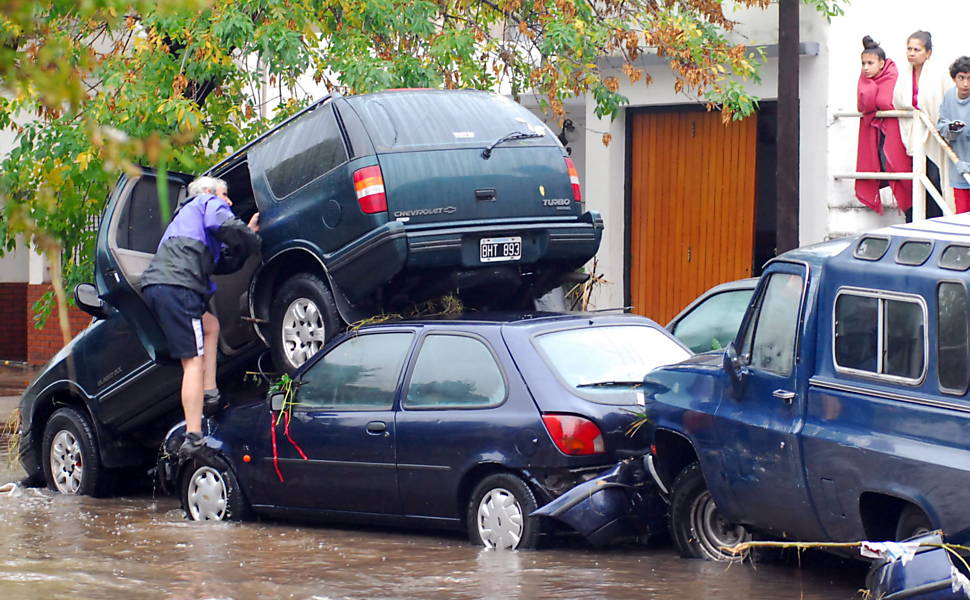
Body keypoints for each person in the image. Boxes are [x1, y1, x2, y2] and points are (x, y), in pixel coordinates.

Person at [140, 176, 261, 456]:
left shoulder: (187, 221)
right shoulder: (204, 201)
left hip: (165, 285)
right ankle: (193, 436)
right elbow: (227, 224)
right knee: (192, 361)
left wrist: (246, 234)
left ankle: (209, 391)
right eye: (225, 195)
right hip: (179, 286)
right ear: (209, 192)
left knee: (211, 325)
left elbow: (225, 262)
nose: (228, 201)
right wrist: (252, 237)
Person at [892, 30, 949, 220]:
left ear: (928, 53)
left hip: (933, 134)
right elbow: (898, 101)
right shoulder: (904, 75)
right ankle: (915, 219)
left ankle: (938, 218)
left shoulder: (939, 75)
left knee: (934, 177)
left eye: (917, 49)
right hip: (911, 134)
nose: (911, 53)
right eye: (909, 49)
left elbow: (943, 101)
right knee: (913, 179)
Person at [856, 36, 913, 215]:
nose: (865, 68)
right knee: (888, 170)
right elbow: (864, 104)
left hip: (897, 136)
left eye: (870, 63)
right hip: (879, 136)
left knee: (902, 173)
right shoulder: (866, 80)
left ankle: (912, 211)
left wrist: (870, 89)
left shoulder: (892, 76)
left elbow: (886, 102)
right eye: (863, 63)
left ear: (881, 63)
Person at [938, 56, 970, 214]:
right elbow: (941, 124)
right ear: (954, 78)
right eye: (961, 78)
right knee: (963, 216)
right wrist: (952, 128)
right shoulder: (949, 96)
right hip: (959, 169)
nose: (965, 83)